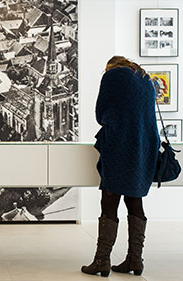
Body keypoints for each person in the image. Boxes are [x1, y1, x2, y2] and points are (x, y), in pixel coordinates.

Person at [81, 56, 160, 277]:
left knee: (109, 199)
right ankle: (135, 260)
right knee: (135, 200)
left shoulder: (112, 76)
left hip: (120, 144)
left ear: (112, 66)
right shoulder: (145, 79)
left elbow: (101, 113)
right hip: (145, 145)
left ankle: (101, 261)